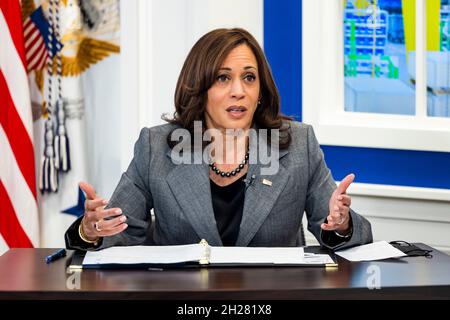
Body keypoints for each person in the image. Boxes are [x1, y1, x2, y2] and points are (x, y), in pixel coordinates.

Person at [65, 28, 372, 251]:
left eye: (249, 78)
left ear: (260, 91)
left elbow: (338, 230)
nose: (239, 90)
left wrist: (341, 224)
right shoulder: (156, 147)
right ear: (199, 88)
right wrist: (91, 231)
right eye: (223, 77)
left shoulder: (298, 144)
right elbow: (120, 233)